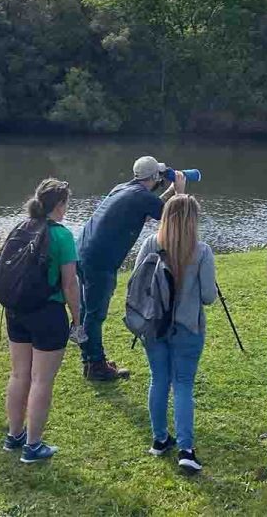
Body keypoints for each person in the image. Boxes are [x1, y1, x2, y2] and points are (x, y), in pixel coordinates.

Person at [77, 156, 186, 381]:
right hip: (100, 260)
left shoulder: (124, 189)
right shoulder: (142, 197)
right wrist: (180, 192)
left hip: (82, 252)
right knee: (95, 314)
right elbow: (175, 218)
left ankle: (90, 360)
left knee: (88, 310)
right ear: (155, 177)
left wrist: (171, 191)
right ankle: (96, 365)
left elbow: (152, 207)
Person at [133, 194, 216, 473]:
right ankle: (186, 449)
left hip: (154, 325)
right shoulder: (201, 251)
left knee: (159, 379)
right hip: (188, 327)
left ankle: (159, 439)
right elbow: (208, 297)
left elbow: (135, 285)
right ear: (193, 221)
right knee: (182, 384)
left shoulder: (149, 244)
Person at [2, 179, 81, 463]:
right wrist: (77, 317)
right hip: (47, 314)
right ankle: (33, 446)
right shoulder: (61, 235)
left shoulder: (21, 227)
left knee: (18, 374)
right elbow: (70, 284)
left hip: (16, 310)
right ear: (59, 205)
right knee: (42, 380)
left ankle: (14, 435)